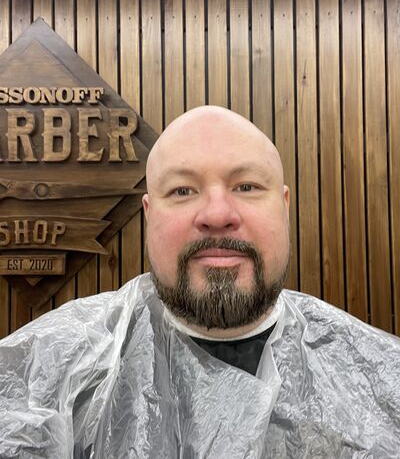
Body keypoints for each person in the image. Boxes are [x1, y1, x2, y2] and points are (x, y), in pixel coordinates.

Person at [0, 105, 399, 458]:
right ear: (149, 214)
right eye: (183, 190)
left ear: (284, 206)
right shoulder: (48, 371)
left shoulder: (383, 376)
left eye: (246, 186)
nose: (217, 214)